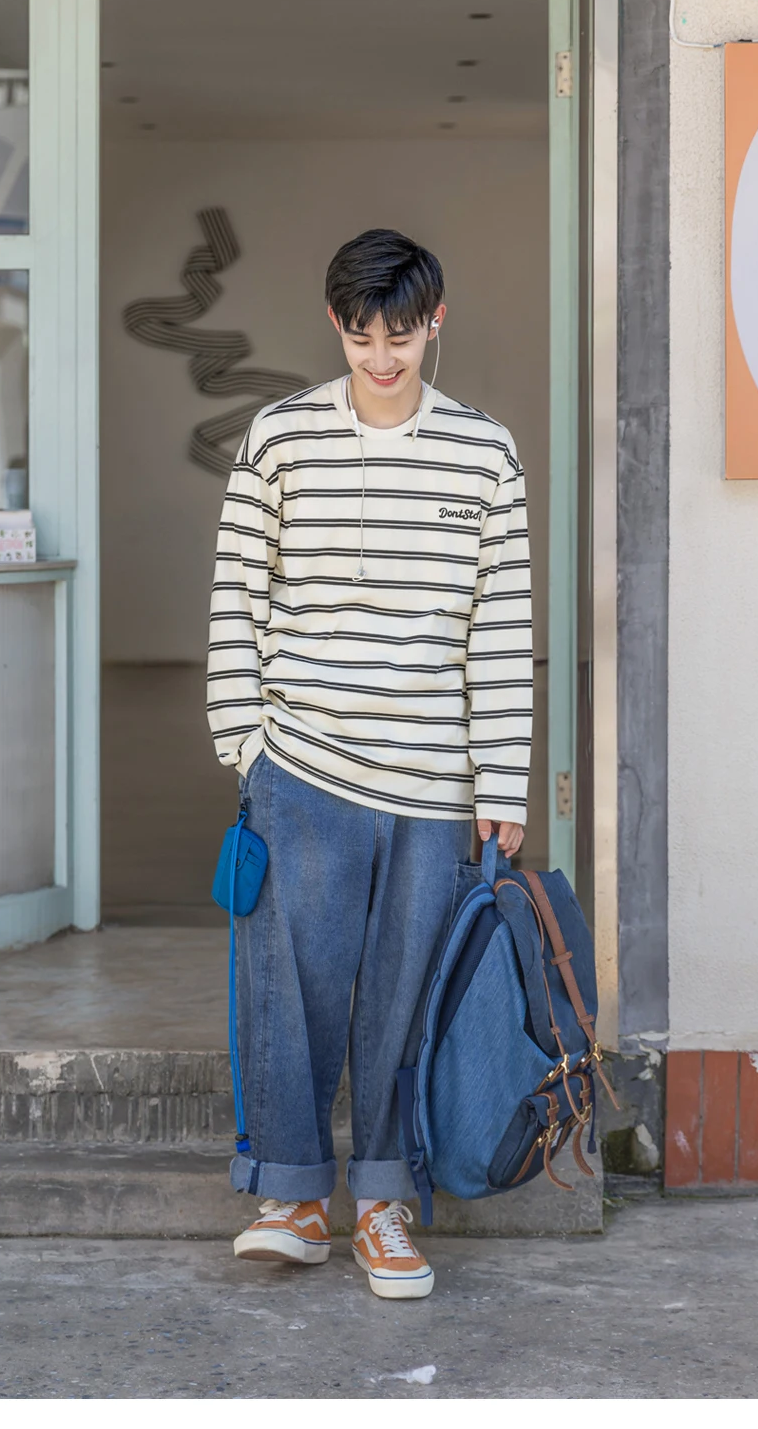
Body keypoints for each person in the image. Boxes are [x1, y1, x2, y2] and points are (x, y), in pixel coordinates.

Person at [206, 227, 532, 1299]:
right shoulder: (280, 438)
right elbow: (238, 594)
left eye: (400, 335)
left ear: (435, 322)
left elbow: (498, 628)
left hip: (433, 782)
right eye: (361, 337)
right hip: (301, 767)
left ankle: (385, 1205)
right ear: (335, 326)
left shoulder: (485, 452)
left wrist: (502, 781)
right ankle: (293, 1198)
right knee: (288, 992)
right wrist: (245, 744)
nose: (381, 357)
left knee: (405, 1002)